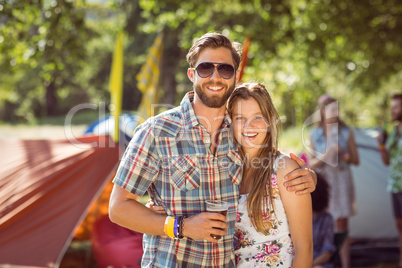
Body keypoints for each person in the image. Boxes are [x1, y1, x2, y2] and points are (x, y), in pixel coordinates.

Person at [109, 32, 317, 267]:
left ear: (235, 76)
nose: (215, 76)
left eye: (225, 69)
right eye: (205, 68)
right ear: (191, 74)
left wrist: (308, 177)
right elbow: (118, 208)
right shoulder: (156, 132)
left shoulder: (238, 132)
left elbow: (268, 165)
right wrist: (179, 226)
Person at [228, 83, 313, 267]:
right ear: (230, 122)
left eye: (257, 117)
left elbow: (305, 248)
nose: (249, 126)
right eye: (240, 118)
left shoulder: (284, 169)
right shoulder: (227, 171)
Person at [308, 94, 359, 268]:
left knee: (341, 223)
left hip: (342, 181)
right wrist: (327, 153)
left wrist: (344, 154)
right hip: (324, 182)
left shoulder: (345, 131)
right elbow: (311, 163)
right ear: (322, 112)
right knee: (324, 220)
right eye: (331, 110)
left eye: (337, 110)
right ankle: (323, 259)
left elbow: (355, 160)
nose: (335, 113)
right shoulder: (314, 134)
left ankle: (345, 265)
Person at [377, 93, 402, 267]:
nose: (392, 111)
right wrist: (381, 145)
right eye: (392, 107)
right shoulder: (394, 132)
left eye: (396, 107)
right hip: (395, 186)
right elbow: (386, 162)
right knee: (400, 226)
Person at [311, 173, 335, 268]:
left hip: (317, 263)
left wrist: (310, 265)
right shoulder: (291, 218)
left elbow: (327, 252)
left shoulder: (327, 219)